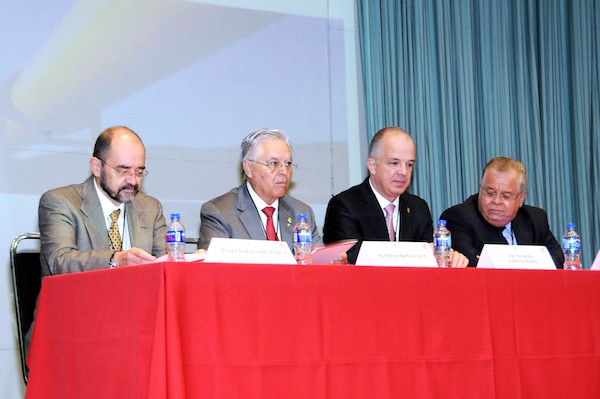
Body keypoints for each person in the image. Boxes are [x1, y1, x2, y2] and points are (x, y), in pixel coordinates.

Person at [25, 126, 167, 358]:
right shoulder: (61, 201)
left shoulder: (150, 208)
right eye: (123, 170)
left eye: (139, 171)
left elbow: (165, 264)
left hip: (135, 333)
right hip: (75, 333)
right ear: (97, 167)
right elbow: (61, 261)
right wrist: (116, 259)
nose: (132, 180)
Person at [323, 126, 468, 266]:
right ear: (372, 165)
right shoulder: (344, 206)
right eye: (394, 163)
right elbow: (355, 258)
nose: (403, 172)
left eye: (409, 165)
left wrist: (444, 257)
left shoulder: (419, 208)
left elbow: (428, 261)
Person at [198, 128, 322, 252]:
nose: (284, 171)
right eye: (273, 163)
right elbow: (215, 268)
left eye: (288, 163)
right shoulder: (220, 213)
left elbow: (318, 262)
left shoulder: (301, 212)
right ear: (248, 168)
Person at [440, 156, 564, 268]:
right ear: (480, 189)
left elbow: (558, 260)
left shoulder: (535, 219)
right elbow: (471, 266)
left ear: (521, 198)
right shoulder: (459, 218)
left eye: (506, 195)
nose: (496, 201)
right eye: (490, 193)